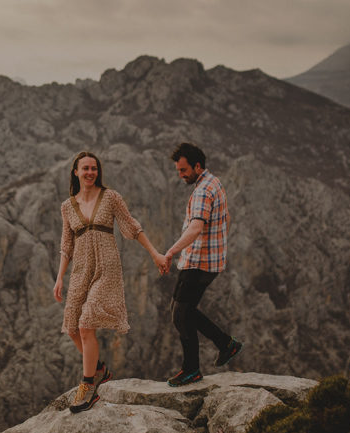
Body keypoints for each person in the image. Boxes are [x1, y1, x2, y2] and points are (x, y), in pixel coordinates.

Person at [53, 150, 166, 413]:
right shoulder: (67, 206)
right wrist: (59, 278)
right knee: (71, 326)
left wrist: (155, 254)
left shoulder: (111, 197)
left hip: (107, 267)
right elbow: (66, 246)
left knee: (85, 323)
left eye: (94, 168)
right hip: (81, 269)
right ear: (76, 172)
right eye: (85, 168)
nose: (90, 172)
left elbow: (132, 227)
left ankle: (87, 386)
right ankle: (100, 370)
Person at [157, 142, 242, 386]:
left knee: (180, 314)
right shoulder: (214, 182)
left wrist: (170, 252)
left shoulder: (203, 191)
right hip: (210, 261)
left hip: (199, 261)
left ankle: (192, 369)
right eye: (178, 171)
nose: (180, 175)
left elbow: (195, 228)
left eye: (183, 170)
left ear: (197, 166)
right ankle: (226, 344)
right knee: (183, 311)